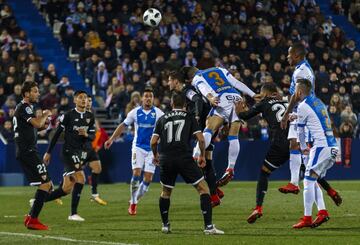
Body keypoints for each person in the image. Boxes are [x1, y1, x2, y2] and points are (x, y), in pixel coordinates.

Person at [150, 92, 224, 235]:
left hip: (166, 158)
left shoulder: (162, 118)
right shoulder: (189, 116)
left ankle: (165, 225)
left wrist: (155, 155)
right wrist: (202, 155)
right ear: (185, 105)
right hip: (184, 158)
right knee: (204, 189)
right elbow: (201, 139)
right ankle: (208, 227)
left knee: (165, 192)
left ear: (171, 104)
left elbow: (153, 142)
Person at [279, 43, 342, 206]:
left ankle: (320, 204)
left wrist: (286, 114)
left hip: (305, 112)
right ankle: (304, 185)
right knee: (295, 147)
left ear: (297, 56)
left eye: (289, 54)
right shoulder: (300, 68)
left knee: (307, 164)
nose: (287, 57)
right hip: (301, 110)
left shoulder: (303, 71)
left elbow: (297, 94)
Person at [181, 66, 258, 187]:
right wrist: (253, 94)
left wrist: (210, 97)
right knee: (233, 136)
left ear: (189, 78)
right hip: (237, 98)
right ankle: (230, 168)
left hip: (221, 98)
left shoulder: (197, 77)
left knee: (209, 129)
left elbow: (202, 86)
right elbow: (236, 82)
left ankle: (195, 156)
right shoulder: (218, 69)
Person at [235, 83, 290, 224]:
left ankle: (258, 208)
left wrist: (238, 109)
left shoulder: (263, 103)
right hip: (295, 141)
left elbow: (244, 116)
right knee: (310, 173)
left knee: (264, 173)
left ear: (264, 93)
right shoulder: (286, 101)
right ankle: (331, 192)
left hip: (280, 143)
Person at [167, 70, 224, 207]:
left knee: (195, 159)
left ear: (176, 81)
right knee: (206, 160)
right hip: (206, 126)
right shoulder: (183, 92)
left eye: (169, 80)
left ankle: (214, 193)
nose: (168, 83)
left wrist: (197, 117)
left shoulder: (187, 90)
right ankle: (215, 192)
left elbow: (198, 100)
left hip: (205, 127)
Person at [104, 88, 164, 215]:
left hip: (152, 150)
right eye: (146, 96)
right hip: (138, 147)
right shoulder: (135, 112)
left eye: (150, 96)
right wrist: (111, 139)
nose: (148, 98)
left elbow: (165, 130)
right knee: (136, 173)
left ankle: (134, 199)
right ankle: (133, 203)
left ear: (153, 99)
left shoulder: (159, 113)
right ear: (142, 98)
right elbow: (122, 125)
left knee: (148, 179)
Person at [43, 90, 96, 222]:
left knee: (66, 189)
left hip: (78, 153)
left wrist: (86, 135)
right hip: (68, 152)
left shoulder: (90, 116)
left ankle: (39, 200)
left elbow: (92, 136)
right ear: (75, 100)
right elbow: (56, 134)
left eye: (85, 98)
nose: (83, 100)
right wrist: (48, 152)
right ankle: (73, 214)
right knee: (81, 178)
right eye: (80, 98)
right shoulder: (68, 115)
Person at [292, 79, 338, 229]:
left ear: (299, 92)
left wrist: (303, 147)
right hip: (332, 146)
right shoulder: (318, 102)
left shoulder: (302, 106)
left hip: (321, 147)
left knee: (307, 181)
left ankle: (306, 218)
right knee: (313, 179)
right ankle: (322, 212)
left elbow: (300, 130)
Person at [15, 81, 52, 230]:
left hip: (29, 150)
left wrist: (45, 123)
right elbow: (37, 124)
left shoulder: (26, 108)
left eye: (38, 91)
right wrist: (45, 114)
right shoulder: (24, 107)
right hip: (27, 151)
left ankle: (31, 217)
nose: (38, 93)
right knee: (46, 184)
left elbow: (38, 127)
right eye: (35, 91)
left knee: (46, 184)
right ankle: (33, 219)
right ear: (26, 94)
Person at [84, 95, 107, 205]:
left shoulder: (92, 114)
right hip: (81, 147)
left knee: (97, 168)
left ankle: (94, 195)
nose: (88, 102)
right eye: (86, 100)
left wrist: (96, 144)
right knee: (73, 173)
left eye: (90, 101)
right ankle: (58, 192)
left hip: (90, 148)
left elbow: (98, 131)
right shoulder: (79, 114)